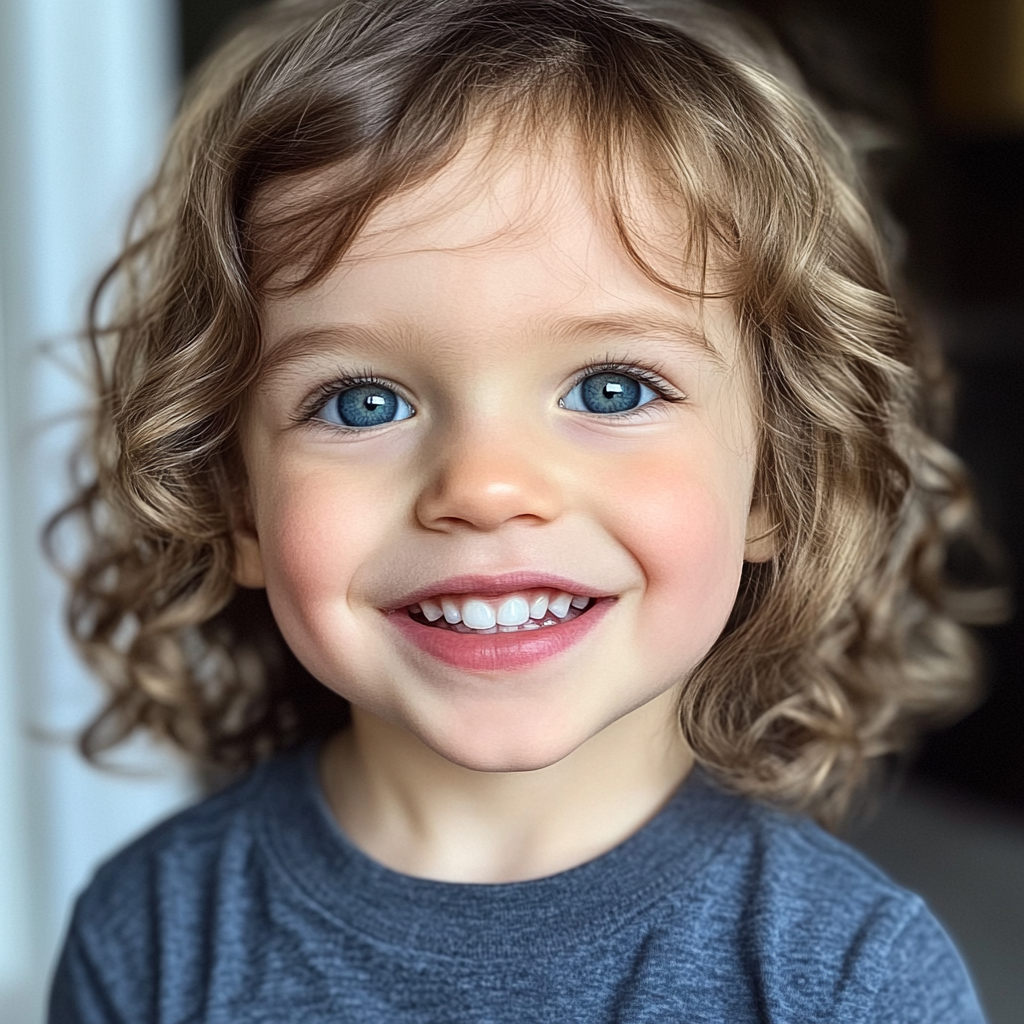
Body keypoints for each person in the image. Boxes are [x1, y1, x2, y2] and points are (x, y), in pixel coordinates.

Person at [47, 1, 993, 1020]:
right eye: (362, 402)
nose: (486, 486)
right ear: (233, 503)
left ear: (774, 479)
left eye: (612, 388)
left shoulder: (851, 976)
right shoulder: (151, 931)